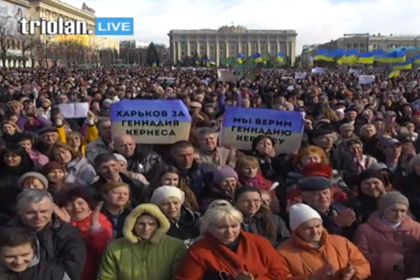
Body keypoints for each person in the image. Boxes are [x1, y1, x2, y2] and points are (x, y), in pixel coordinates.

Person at [175, 205, 289, 279]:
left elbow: (280, 273)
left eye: (234, 226)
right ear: (209, 228)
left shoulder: (259, 242)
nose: (229, 232)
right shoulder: (199, 251)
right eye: (221, 227)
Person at [6, 189, 86, 280]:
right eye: (31, 212)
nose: (38, 217)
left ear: (52, 209)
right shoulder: (5, 234)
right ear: (19, 211)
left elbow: (72, 268)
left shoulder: (67, 233)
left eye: (44, 211)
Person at [277, 203, 371, 280]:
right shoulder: (283, 253)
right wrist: (312, 278)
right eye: (308, 228)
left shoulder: (341, 242)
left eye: (318, 226)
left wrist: (352, 273)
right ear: (296, 230)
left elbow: (363, 264)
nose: (315, 232)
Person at [98, 203, 187, 280]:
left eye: (151, 224)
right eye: (141, 224)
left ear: (159, 225)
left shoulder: (176, 246)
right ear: (132, 224)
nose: (146, 228)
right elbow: (106, 277)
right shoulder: (115, 248)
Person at [354, 192, 420, 280]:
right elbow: (359, 257)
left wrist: (409, 261)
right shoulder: (365, 229)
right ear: (383, 209)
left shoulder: (416, 228)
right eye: (393, 210)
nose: (398, 214)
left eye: (403, 211)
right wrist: (388, 259)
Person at [61, 188, 113, 280]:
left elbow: (103, 249)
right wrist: (66, 225)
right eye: (70, 204)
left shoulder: (100, 220)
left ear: (89, 204)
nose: (76, 207)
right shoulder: (59, 223)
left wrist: (95, 228)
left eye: (81, 203)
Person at [299, 174, 358, 239]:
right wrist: (336, 224)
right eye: (316, 195)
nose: (323, 197)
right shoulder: (301, 217)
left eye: (325, 193)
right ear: (305, 197)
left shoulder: (339, 209)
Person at [0, 227, 70, 280]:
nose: (19, 262)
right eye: (10, 257)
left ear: (33, 249)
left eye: (25, 255)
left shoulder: (53, 273)